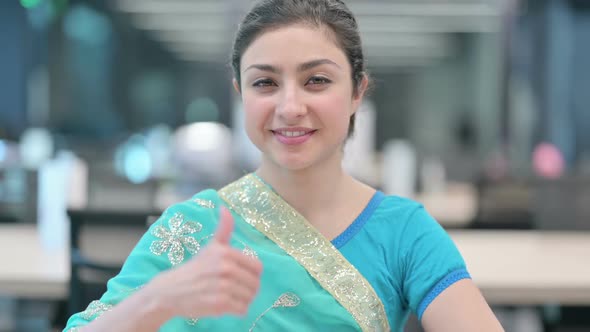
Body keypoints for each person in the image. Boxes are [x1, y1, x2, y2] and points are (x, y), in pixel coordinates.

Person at [64, 0, 504, 331]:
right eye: (265, 83)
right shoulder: (194, 226)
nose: (290, 106)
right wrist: (158, 299)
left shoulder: (404, 231)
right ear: (241, 95)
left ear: (357, 93)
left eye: (316, 80)